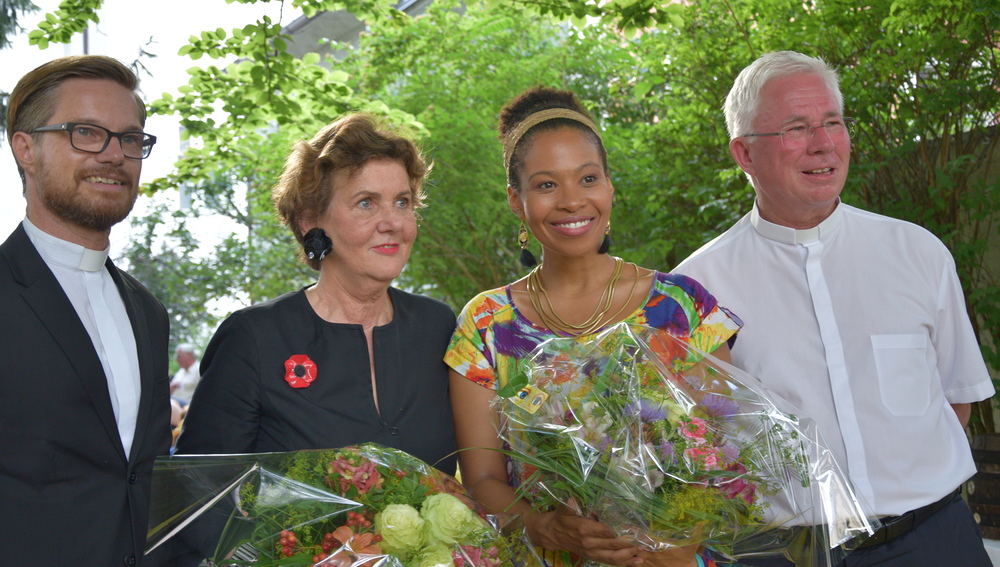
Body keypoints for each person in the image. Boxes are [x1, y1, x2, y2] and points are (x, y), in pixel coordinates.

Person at [674, 51, 995, 566]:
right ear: (744, 154)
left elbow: (956, 401)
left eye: (833, 123)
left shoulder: (919, 253)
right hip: (780, 554)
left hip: (933, 542)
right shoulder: (697, 287)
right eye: (796, 127)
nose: (822, 143)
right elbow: (694, 439)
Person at [445, 87, 742, 567]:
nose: (571, 201)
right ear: (516, 202)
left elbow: (725, 444)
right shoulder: (486, 323)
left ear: (609, 187)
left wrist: (675, 542)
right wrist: (547, 527)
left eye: (587, 178)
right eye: (545, 185)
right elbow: (481, 480)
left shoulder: (682, 306)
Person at [175, 113, 458, 474]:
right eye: (366, 203)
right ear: (311, 220)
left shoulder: (438, 326)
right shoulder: (255, 338)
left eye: (402, 202)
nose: (393, 223)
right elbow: (201, 489)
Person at [0, 55, 170, 567]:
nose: (114, 154)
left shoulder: (149, 312)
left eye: (130, 138)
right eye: (85, 133)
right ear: (25, 148)